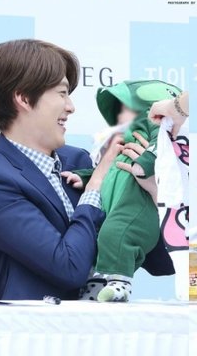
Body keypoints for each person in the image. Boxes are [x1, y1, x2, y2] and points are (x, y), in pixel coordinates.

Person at [0, 39, 172, 300]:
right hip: (41, 325)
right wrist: (95, 186)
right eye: (62, 93)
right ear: (24, 98)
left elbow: (162, 263)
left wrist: (154, 192)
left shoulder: (77, 160)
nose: (71, 107)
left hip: (110, 323)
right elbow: (67, 267)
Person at [61, 78, 181, 302]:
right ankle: (96, 285)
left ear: (149, 112)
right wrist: (84, 177)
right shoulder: (118, 148)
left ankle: (120, 283)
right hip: (113, 208)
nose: (119, 117)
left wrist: (149, 170)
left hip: (136, 209)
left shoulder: (158, 141)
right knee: (101, 239)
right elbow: (106, 172)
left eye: (125, 110)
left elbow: (160, 152)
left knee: (115, 234)